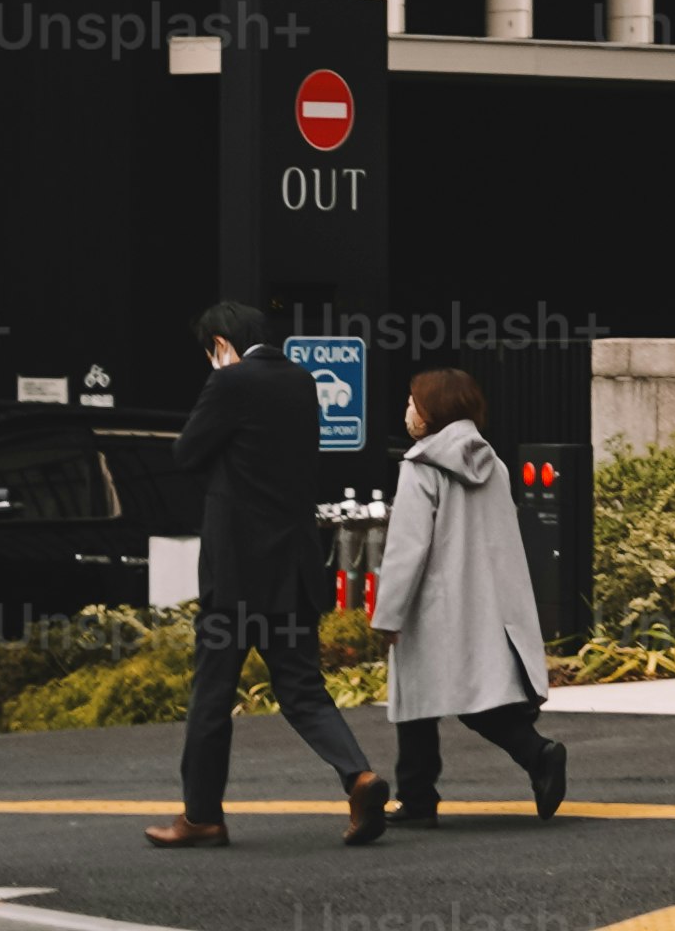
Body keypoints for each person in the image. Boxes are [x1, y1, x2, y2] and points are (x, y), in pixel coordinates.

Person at [149, 302, 383, 849]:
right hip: (294, 570)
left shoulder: (230, 383)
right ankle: (358, 776)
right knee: (303, 690)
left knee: (211, 696)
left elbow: (186, 452)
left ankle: (202, 817)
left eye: (210, 352)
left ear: (220, 344)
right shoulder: (302, 382)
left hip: (236, 577)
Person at [369, 367, 567, 825]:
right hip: (484, 603)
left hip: (432, 606)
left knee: (419, 701)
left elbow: (407, 547)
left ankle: (422, 797)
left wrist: (388, 613)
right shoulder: (491, 462)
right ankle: (533, 754)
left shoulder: (420, 466)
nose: (408, 411)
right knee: (474, 697)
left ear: (431, 411)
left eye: (412, 402)